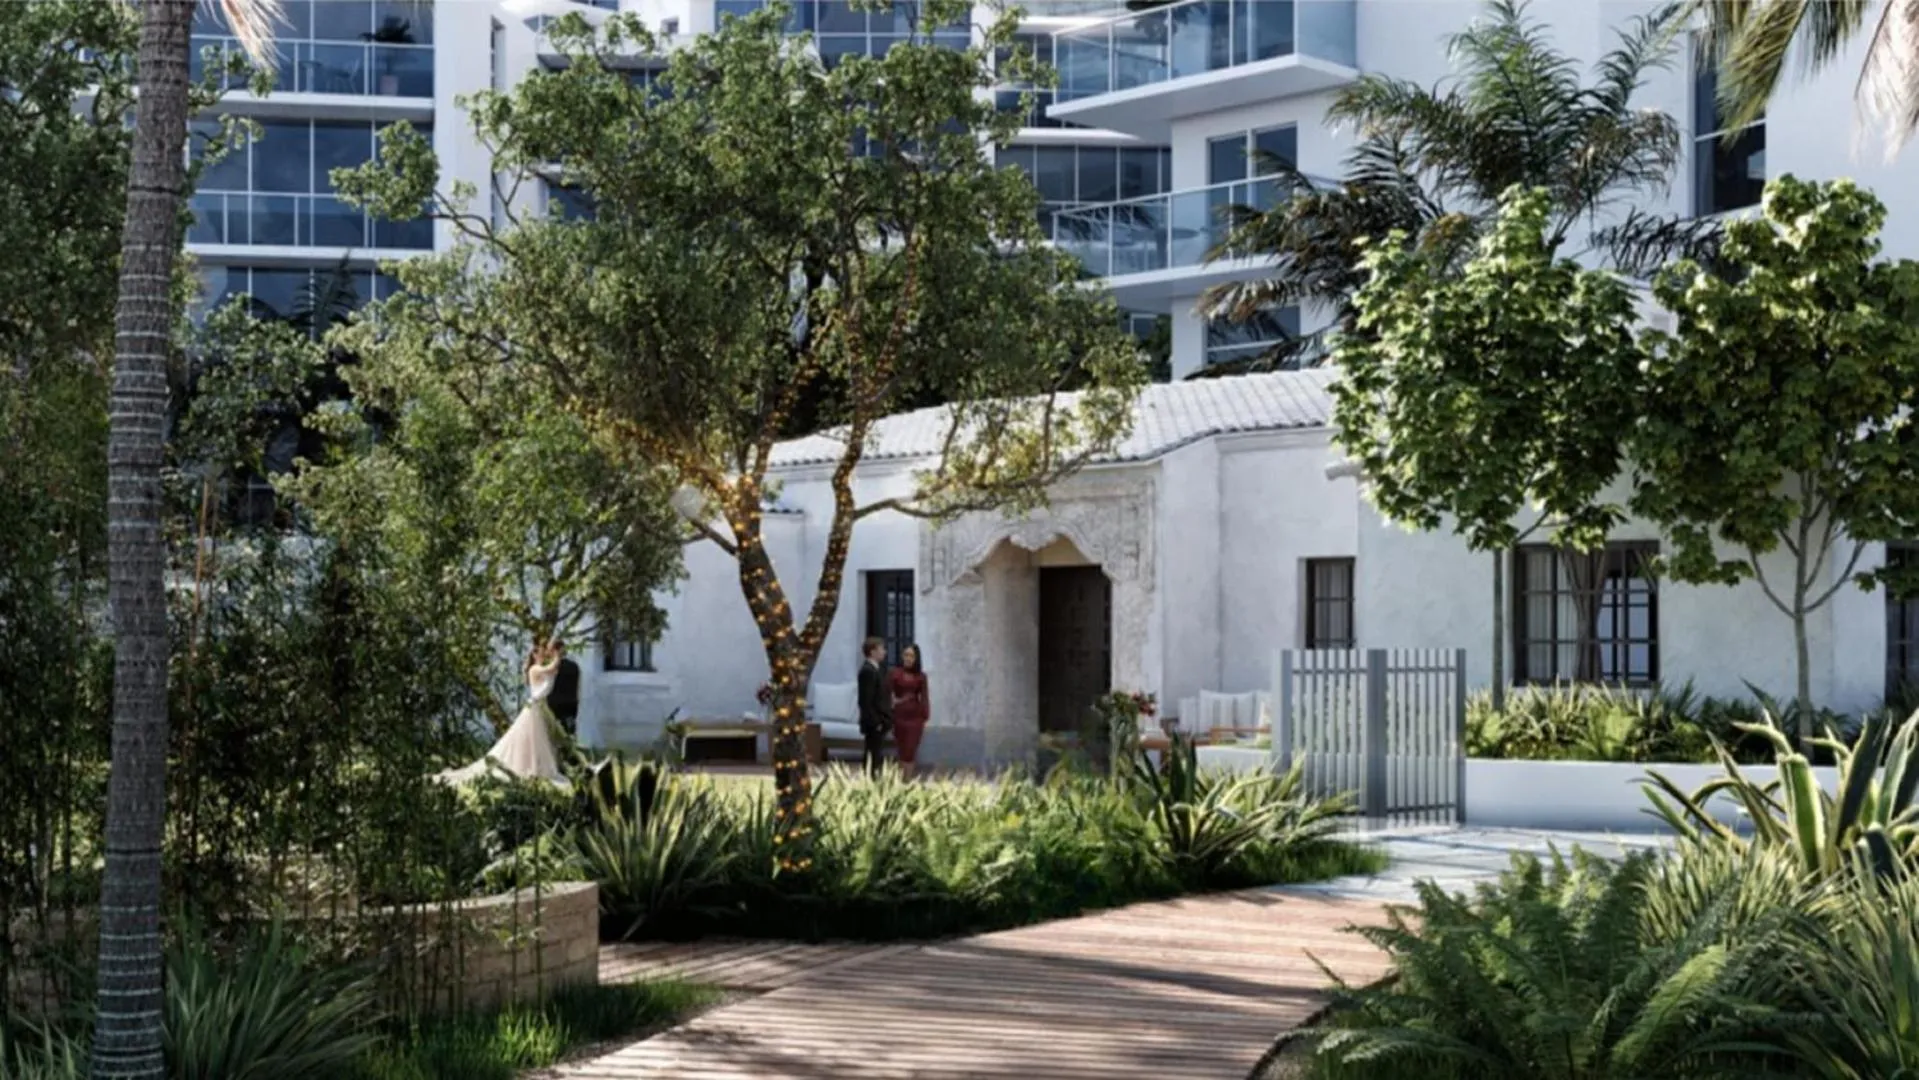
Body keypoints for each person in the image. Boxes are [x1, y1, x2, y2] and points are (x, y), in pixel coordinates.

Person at [433, 643, 568, 787]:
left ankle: (532, 768)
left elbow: (552, 671)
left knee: (533, 742)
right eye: (541, 653)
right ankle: (528, 769)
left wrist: (555, 656)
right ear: (534, 655)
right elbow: (552, 668)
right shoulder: (535, 669)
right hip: (533, 708)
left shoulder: (541, 670)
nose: (543, 655)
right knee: (529, 741)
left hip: (538, 709)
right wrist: (556, 654)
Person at [888, 643, 930, 780]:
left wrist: (925, 716)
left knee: (910, 751)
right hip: (898, 717)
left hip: (915, 719)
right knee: (901, 750)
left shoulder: (921, 676)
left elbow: (924, 697)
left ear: (916, 658)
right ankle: (901, 781)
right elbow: (886, 693)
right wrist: (891, 706)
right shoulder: (895, 673)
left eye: (911, 656)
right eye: (906, 655)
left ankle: (908, 781)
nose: (908, 658)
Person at [856, 636, 893, 778]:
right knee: (872, 754)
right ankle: (870, 779)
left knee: (877, 753)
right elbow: (866, 701)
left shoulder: (877, 669)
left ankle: (875, 778)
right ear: (872, 651)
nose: (884, 652)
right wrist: (876, 722)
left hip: (880, 721)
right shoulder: (867, 671)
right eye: (881, 649)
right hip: (874, 723)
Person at [549, 639, 581, 738]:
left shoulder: (551, 667)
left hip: (554, 704)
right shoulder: (574, 666)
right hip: (571, 704)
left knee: (554, 735)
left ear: (554, 650)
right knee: (569, 733)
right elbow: (578, 687)